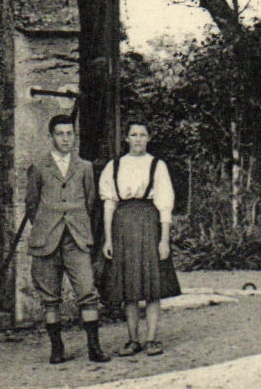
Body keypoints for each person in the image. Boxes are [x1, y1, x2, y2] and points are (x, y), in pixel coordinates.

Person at [25, 114, 109, 364]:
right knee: (50, 297)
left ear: (74, 136)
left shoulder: (84, 167)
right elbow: (32, 204)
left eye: (69, 133)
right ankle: (57, 348)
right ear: (50, 137)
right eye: (60, 134)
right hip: (47, 240)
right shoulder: (39, 167)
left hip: (76, 239)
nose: (65, 138)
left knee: (86, 290)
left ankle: (94, 347)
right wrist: (46, 225)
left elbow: (90, 200)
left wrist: (77, 226)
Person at [100, 122, 180, 356]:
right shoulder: (114, 166)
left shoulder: (157, 165)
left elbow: (165, 204)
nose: (138, 139)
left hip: (149, 223)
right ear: (126, 138)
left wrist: (164, 240)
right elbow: (109, 203)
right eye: (133, 135)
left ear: (148, 138)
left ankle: (152, 338)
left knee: (152, 286)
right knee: (129, 287)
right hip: (122, 226)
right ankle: (132, 339)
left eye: (142, 135)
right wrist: (108, 239)